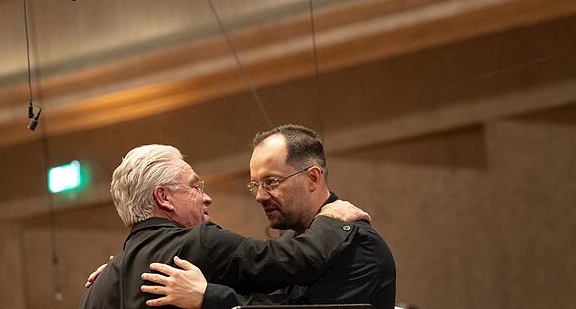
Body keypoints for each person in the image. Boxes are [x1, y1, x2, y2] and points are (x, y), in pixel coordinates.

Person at [78, 144, 370, 309]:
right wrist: (332, 220)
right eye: (194, 186)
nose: (206, 197)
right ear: (164, 197)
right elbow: (292, 261)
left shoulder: (95, 290)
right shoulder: (197, 244)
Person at [141, 124, 396, 309]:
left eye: (271, 182)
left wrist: (209, 297)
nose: (260, 196)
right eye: (255, 185)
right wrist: (134, 263)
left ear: (313, 177)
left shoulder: (361, 246)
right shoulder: (291, 243)